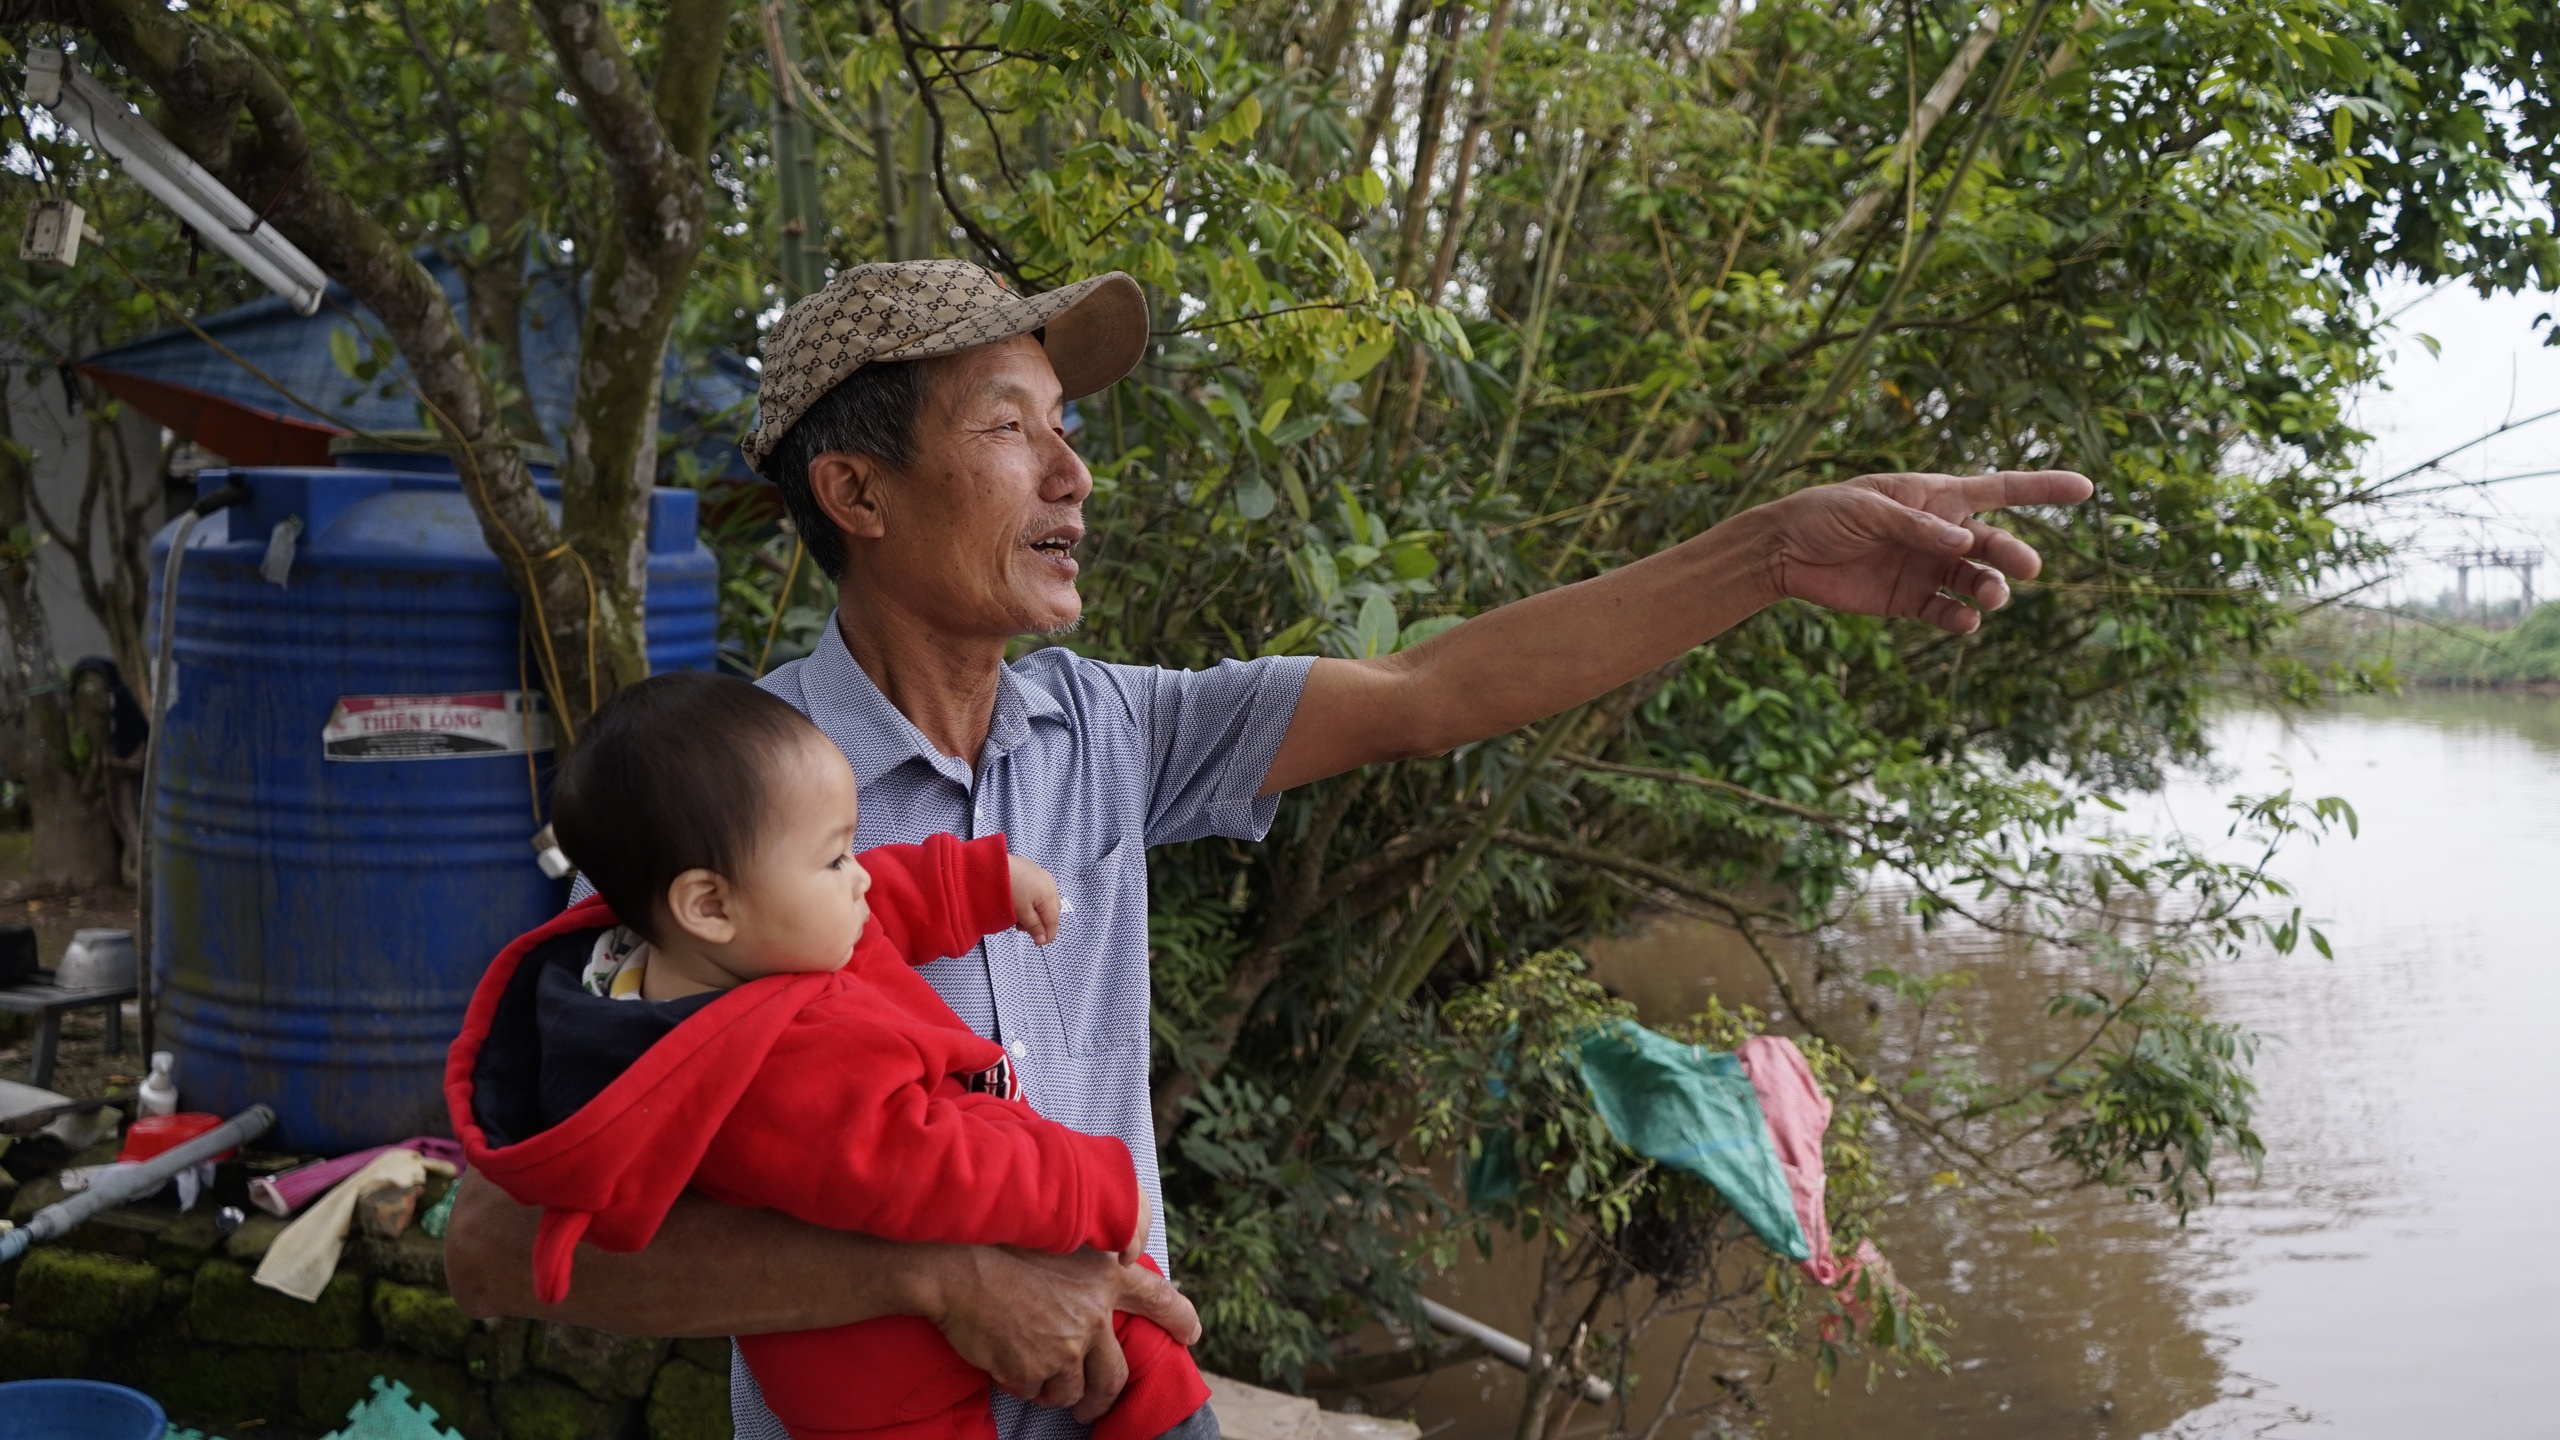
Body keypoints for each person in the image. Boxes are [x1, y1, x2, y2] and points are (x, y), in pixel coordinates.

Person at [444, 259, 2093, 1440]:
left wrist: (1773, 551)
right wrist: (937, 1278)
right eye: (1014, 426)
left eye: (1069, 428)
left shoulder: (1106, 728)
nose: (1078, 475)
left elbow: (1437, 688)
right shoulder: (720, 811)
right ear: (856, 490)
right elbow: (503, 1253)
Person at [447, 671, 1210, 1440]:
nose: (861, 873)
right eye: (837, 858)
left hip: (899, 1314)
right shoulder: (771, 1065)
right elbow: (924, 1160)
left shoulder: (736, 947)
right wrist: (1092, 1186)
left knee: (1135, 1320)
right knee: (1127, 1323)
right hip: (879, 1371)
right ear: (708, 905)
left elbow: (881, 907)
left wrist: (971, 881)